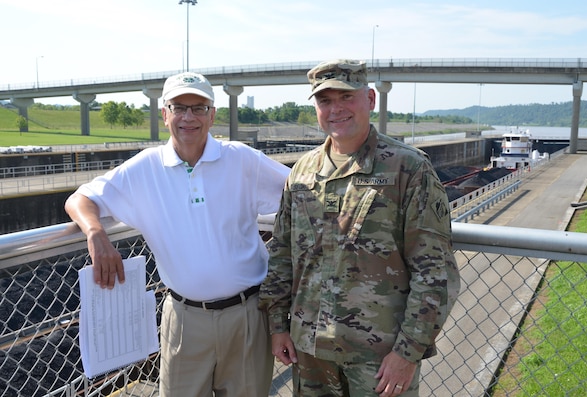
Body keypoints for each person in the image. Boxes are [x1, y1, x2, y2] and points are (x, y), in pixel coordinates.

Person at [65, 71, 290, 397]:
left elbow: (300, 191)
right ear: (164, 113)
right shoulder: (144, 168)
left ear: (212, 115)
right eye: (179, 107)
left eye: (198, 108)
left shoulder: (242, 160)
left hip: (248, 317)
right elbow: (80, 199)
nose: (188, 117)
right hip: (185, 320)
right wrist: (96, 233)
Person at [258, 60, 461, 397]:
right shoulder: (303, 173)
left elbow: (435, 272)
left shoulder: (407, 169)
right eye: (325, 101)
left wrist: (407, 353)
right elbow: (281, 253)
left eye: (346, 97)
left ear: (369, 99)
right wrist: (278, 326)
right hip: (310, 352)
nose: (335, 109)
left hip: (379, 359)